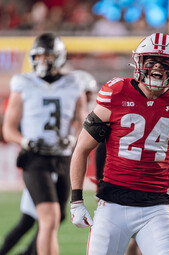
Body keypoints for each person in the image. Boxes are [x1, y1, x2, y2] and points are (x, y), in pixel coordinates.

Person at [69, 33, 169, 255]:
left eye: (165, 62)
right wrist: (76, 201)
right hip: (112, 205)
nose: (157, 67)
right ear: (139, 63)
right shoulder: (116, 93)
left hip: (156, 208)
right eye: (151, 61)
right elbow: (81, 150)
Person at [2, 32, 87, 255]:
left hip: (63, 157)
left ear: (59, 57)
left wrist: (73, 138)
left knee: (56, 218)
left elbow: (82, 120)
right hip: (35, 157)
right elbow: (8, 128)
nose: (42, 61)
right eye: (38, 56)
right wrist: (25, 141)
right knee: (47, 217)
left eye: (47, 56)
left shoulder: (74, 83)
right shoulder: (23, 83)